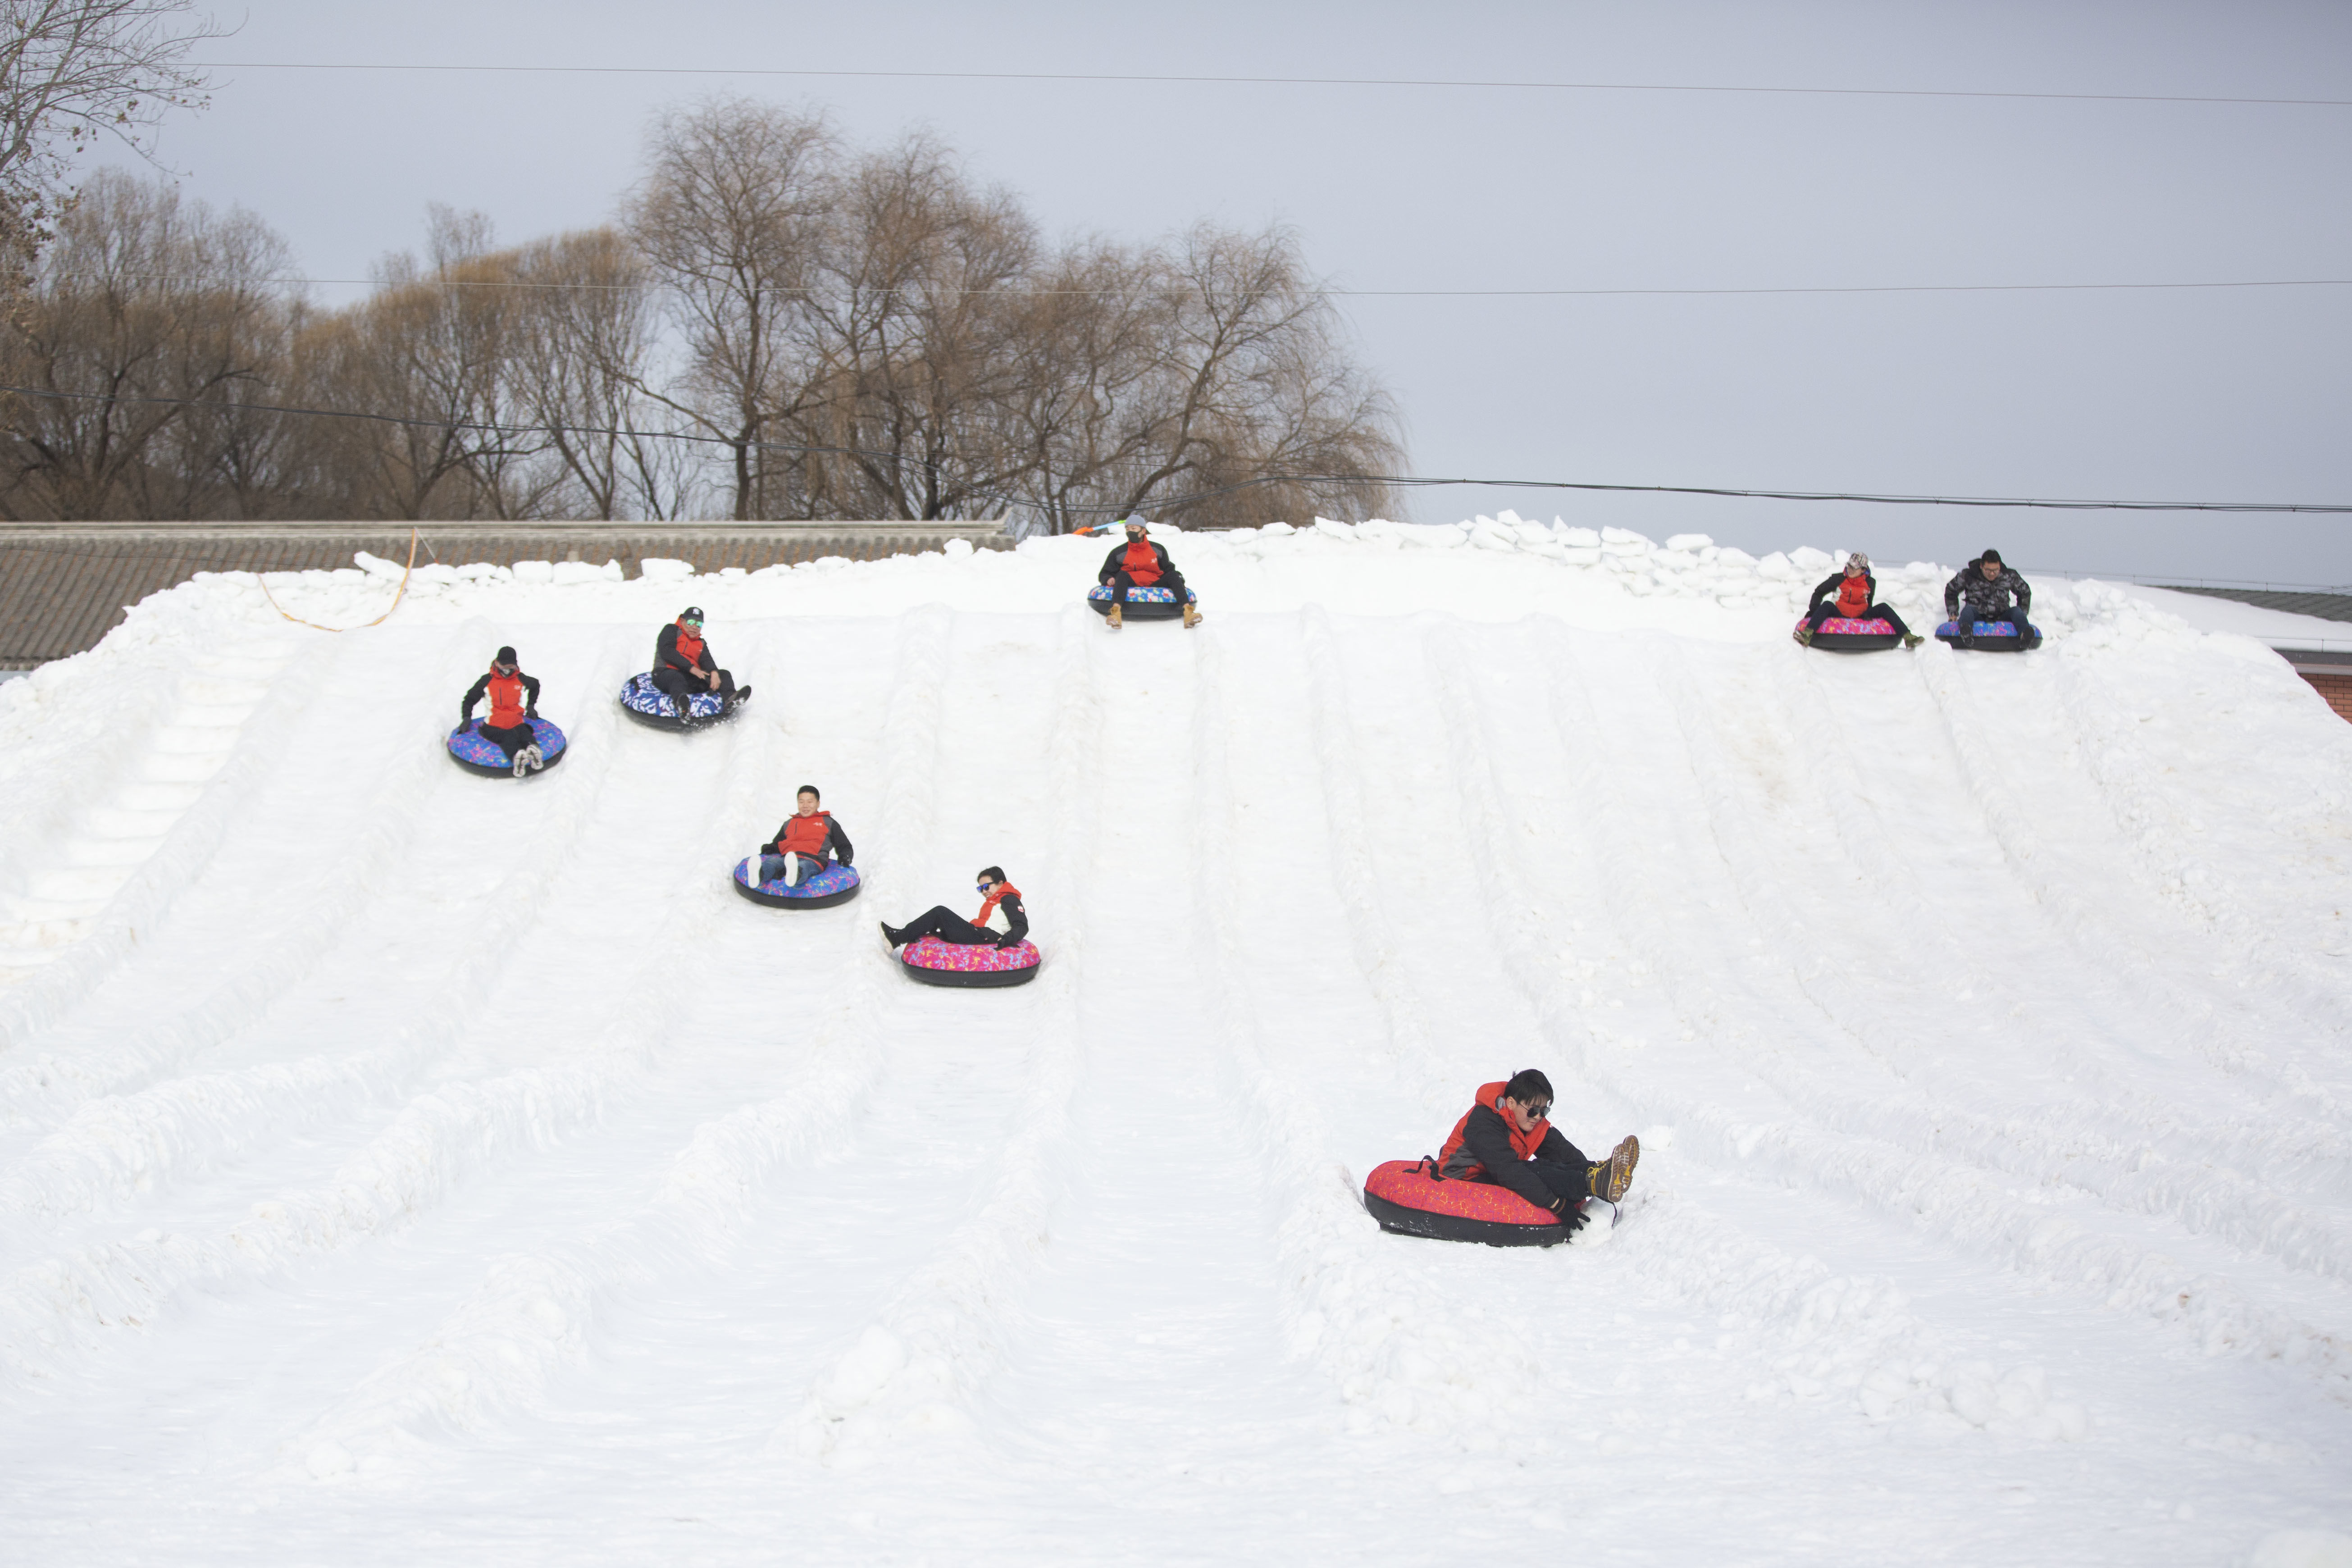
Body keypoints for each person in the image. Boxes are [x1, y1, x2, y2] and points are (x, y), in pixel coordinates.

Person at [1436, 1070, 1640, 1230]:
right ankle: (1593, 1182)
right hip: (1463, 1177)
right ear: (1511, 1103)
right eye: (1533, 1110)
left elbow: (1564, 1153)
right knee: (1534, 1171)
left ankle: (1600, 1176)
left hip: (1495, 1171)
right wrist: (1556, 1204)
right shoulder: (1483, 1122)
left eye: (1544, 1111)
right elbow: (1508, 1170)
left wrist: (1588, 1168)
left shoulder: (1529, 1120)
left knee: (1544, 1165)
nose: (1538, 1116)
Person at [880, 866, 1028, 950]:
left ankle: (897, 938)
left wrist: (1006, 940)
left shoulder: (1009, 899)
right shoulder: (995, 900)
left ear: (1001, 883)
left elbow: (1021, 925)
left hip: (985, 937)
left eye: (986, 887)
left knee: (940, 913)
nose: (984, 892)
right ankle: (904, 934)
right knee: (940, 922)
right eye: (980, 889)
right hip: (979, 933)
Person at [1796, 553, 1922, 648]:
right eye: (1849, 566)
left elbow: (1869, 601)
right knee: (1827, 605)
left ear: (1863, 570)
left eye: (1854, 568)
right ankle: (1807, 634)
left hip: (1860, 614)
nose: (1850, 570)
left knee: (1884, 607)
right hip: (1839, 612)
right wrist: (1814, 611)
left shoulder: (1870, 583)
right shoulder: (1838, 579)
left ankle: (1908, 637)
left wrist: (1868, 614)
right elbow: (1819, 592)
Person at [1098, 519, 1200, 630]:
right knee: (1122, 574)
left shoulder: (1157, 549)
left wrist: (1179, 579)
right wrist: (1108, 579)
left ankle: (1188, 612)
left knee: (1173, 576)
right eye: (1127, 529)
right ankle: (1116, 613)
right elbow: (1105, 572)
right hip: (1132, 581)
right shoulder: (1119, 552)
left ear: (1143, 531)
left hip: (1155, 581)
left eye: (1133, 528)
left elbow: (1169, 569)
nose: (1130, 531)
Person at [651, 606, 748, 720]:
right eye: (691, 622)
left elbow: (707, 660)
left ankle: (730, 700)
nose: (694, 627)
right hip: (665, 674)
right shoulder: (671, 630)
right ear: (683, 621)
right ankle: (682, 706)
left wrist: (714, 673)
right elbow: (667, 651)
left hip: (688, 677)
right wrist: (691, 668)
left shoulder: (700, 643)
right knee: (676, 677)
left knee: (724, 674)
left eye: (699, 624)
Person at [460, 646, 545, 774]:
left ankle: (533, 750)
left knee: (524, 733)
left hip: (516, 722)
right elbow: (469, 699)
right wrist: (467, 718)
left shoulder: (520, 679)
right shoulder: (487, 681)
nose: (506, 670)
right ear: (497, 663)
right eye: (503, 667)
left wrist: (531, 706)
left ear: (515, 665)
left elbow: (535, 685)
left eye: (510, 667)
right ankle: (518, 757)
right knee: (507, 737)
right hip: (494, 725)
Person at [758, 785, 854, 887]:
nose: (805, 806)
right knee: (772, 863)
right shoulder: (790, 823)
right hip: (788, 857)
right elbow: (778, 843)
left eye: (810, 802)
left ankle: (794, 876)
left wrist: (845, 856)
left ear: (818, 804)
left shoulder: (828, 822)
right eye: (801, 802)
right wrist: (771, 848)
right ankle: (759, 875)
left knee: (804, 867)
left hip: (814, 860)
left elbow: (844, 845)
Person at [1943, 548, 2034, 646]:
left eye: (1996, 570)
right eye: (1988, 570)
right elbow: (1951, 590)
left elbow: (2025, 592)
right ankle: (1966, 632)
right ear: (1982, 566)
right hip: (1977, 616)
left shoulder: (2009, 576)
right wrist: (1953, 614)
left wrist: (2023, 613)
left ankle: (2025, 635)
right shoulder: (1969, 575)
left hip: (2002, 616)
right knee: (1968, 610)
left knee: (2017, 611)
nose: (1992, 574)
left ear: (2000, 566)